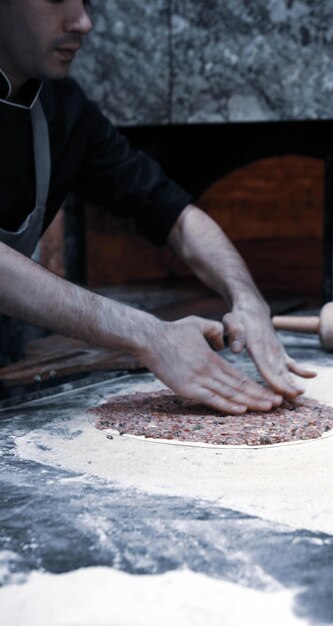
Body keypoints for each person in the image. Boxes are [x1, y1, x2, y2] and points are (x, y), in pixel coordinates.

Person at [0, 0, 315, 414]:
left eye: (87, 0)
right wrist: (149, 335)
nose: (84, 22)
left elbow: (175, 215)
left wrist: (248, 299)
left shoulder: (65, 108)